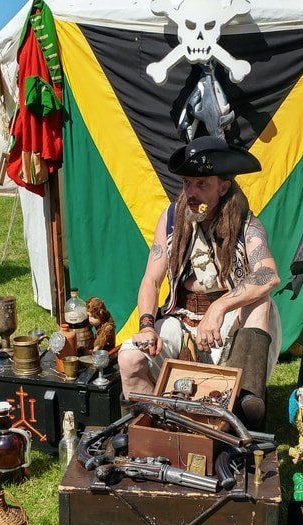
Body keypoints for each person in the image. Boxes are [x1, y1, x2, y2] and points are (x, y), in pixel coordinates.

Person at [118, 136, 281, 428]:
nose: (191, 193)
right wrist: (146, 326)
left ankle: (245, 411)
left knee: (260, 303)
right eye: (187, 183)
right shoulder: (171, 218)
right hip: (180, 317)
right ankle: (160, 427)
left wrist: (219, 307)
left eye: (202, 185)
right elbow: (151, 280)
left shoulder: (247, 224)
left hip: (229, 321)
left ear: (223, 187)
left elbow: (268, 274)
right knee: (130, 360)